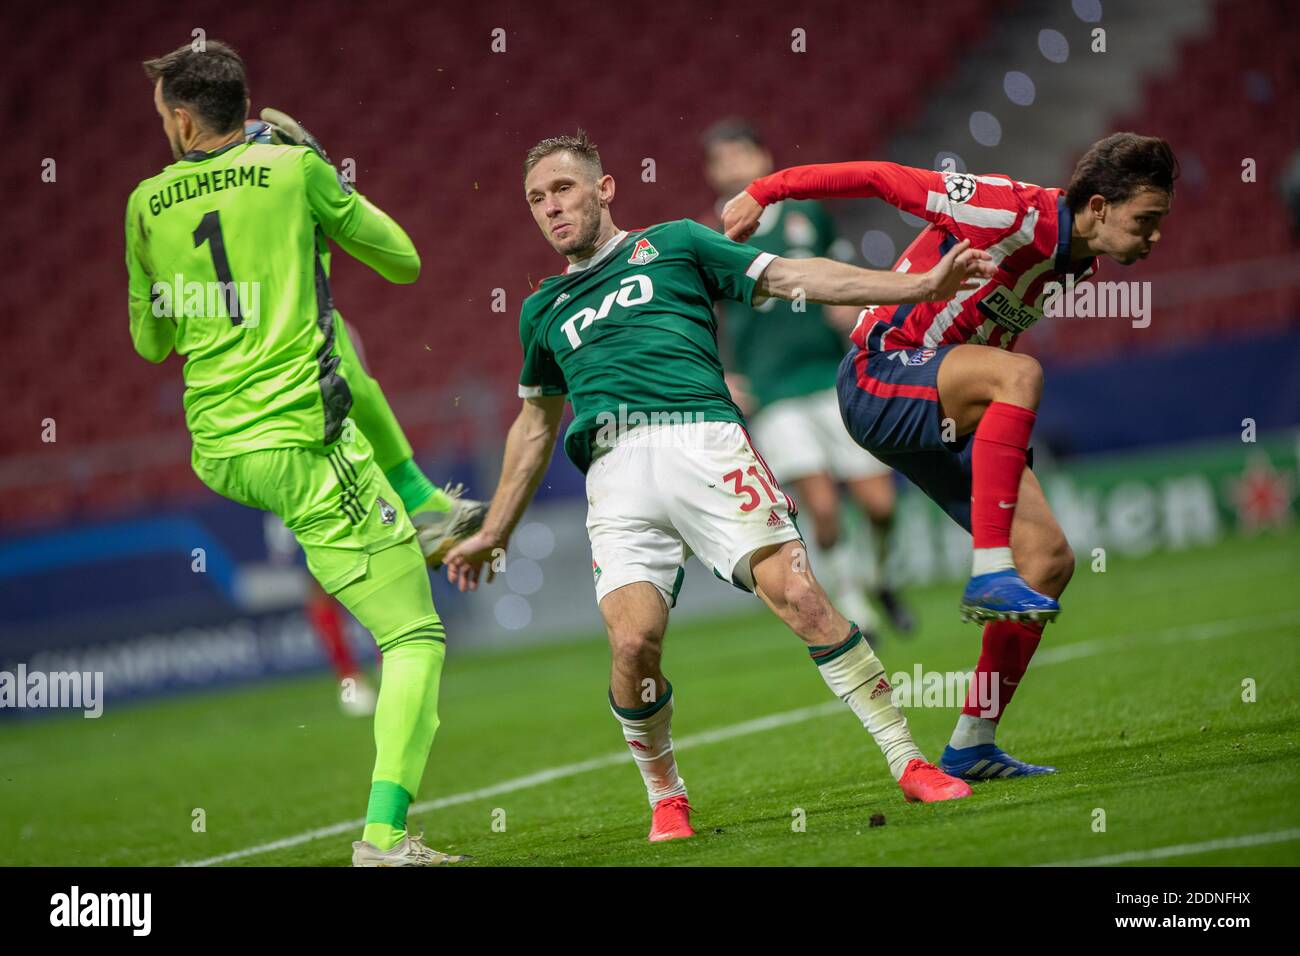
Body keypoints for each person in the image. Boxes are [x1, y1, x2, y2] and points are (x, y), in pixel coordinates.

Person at [445, 131, 996, 841]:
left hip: (703, 442)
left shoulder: (677, 244)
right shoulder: (543, 310)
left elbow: (794, 277)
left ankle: (907, 760)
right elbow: (532, 425)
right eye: (537, 199)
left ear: (605, 189)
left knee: (802, 598)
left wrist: (917, 286)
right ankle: (666, 797)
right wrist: (494, 529)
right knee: (632, 645)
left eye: (564, 189)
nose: (551, 207)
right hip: (615, 476)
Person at [723, 133, 1177, 779]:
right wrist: (767, 189)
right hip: (878, 375)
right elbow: (881, 177)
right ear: (1099, 207)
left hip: (942, 409)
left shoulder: (1077, 262)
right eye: (1146, 221)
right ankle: (989, 567)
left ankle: (972, 743)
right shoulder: (1009, 210)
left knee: (1047, 560)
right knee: (1018, 376)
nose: (1154, 237)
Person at [127, 41, 468, 865]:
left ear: (180, 118)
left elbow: (149, 341)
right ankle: (385, 840)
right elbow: (404, 260)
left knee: (341, 358)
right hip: (300, 445)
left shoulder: (144, 202)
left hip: (219, 448)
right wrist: (321, 177)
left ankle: (418, 502)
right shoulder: (291, 170)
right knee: (415, 637)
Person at [702, 118, 914, 638]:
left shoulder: (806, 215)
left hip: (831, 376)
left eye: (740, 153)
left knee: (880, 505)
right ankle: (855, 608)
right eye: (721, 158)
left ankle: (881, 578)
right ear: (711, 173)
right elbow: (700, 314)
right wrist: (722, 373)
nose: (733, 165)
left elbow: (841, 274)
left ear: (763, 158)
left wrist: (857, 307)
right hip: (772, 390)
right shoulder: (706, 240)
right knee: (821, 507)